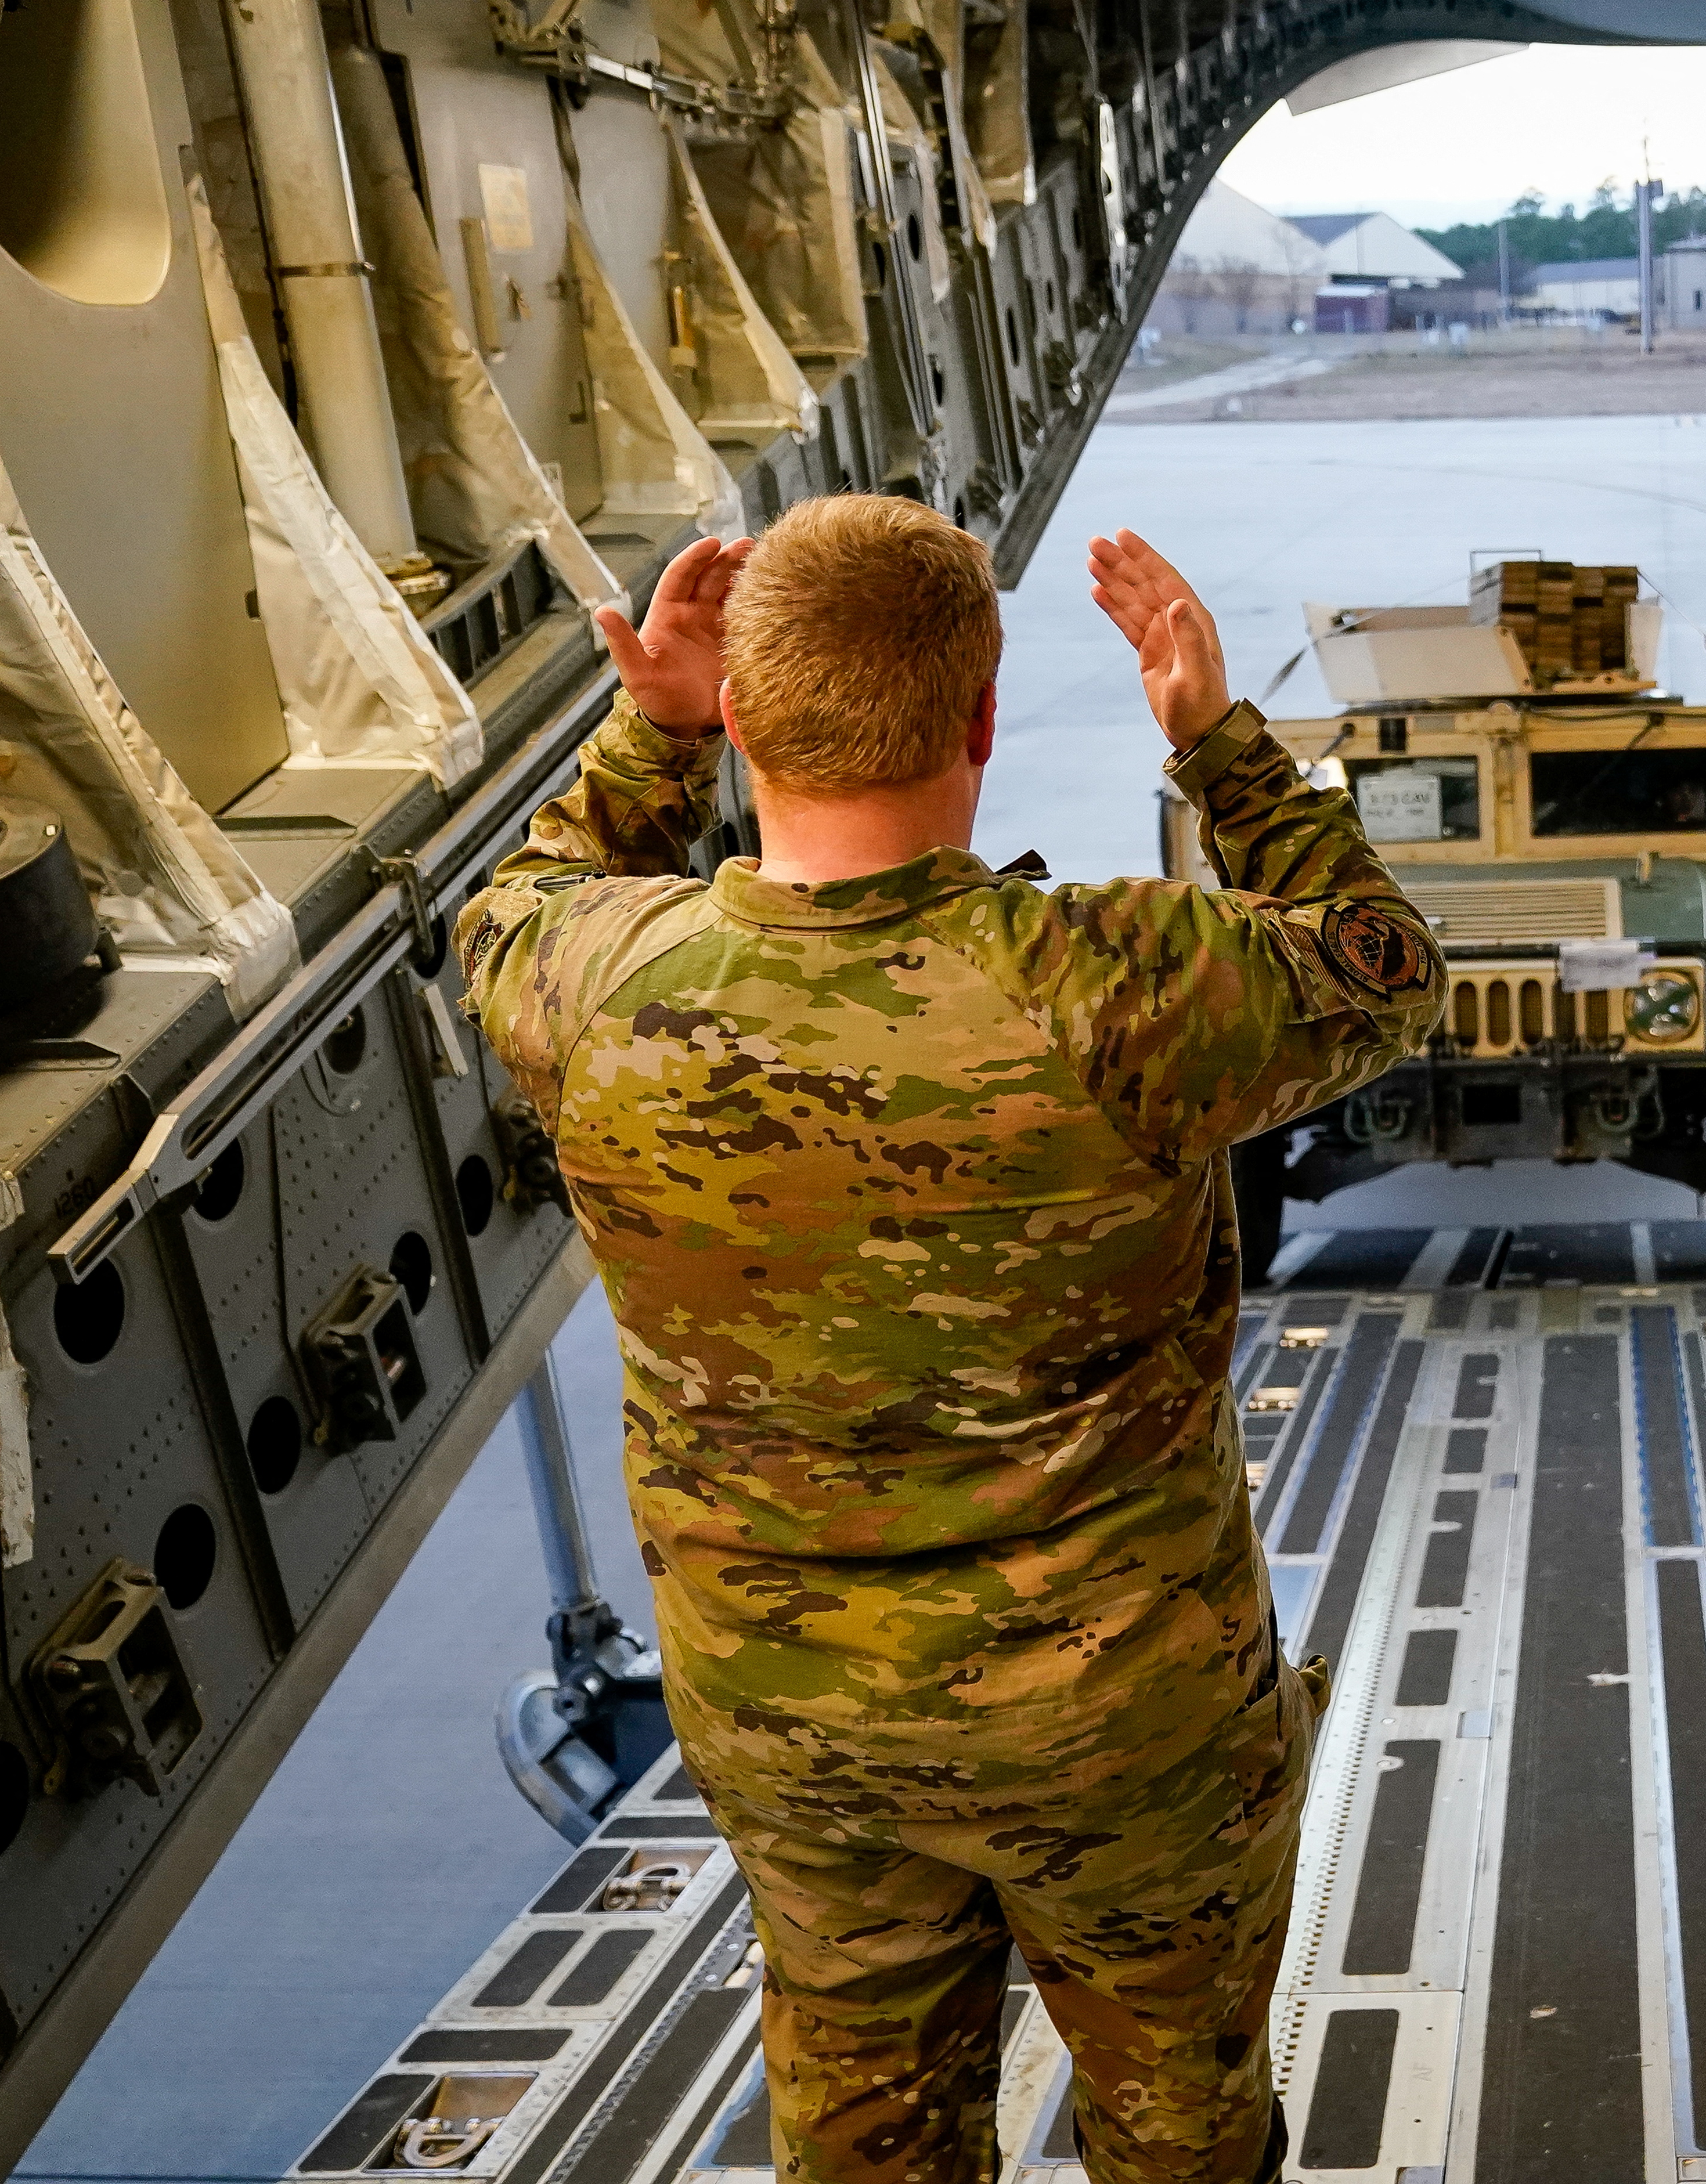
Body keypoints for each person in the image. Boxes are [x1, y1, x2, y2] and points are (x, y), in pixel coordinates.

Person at [456, 499, 1441, 2182]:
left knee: (860, 2132)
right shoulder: (1124, 985)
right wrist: (1220, 747)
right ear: (980, 718)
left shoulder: (586, 981)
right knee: (1181, 2134)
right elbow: (1383, 966)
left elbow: (520, 892)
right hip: (1124, 1721)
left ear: (751, 719)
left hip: (795, 1724)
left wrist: (656, 729)